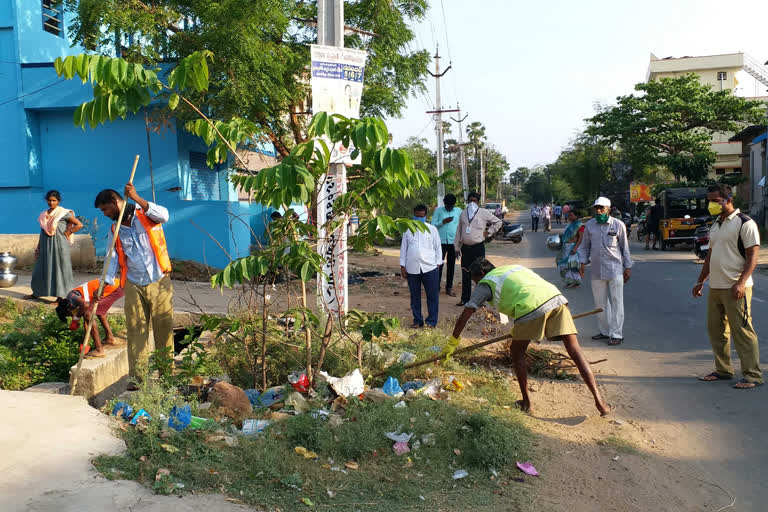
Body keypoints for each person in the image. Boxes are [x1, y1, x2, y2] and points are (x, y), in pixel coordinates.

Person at [442, 258, 611, 415]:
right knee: (575, 350)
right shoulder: (513, 268)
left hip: (531, 308)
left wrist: (453, 342)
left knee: (517, 351)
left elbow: (467, 312)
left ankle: (526, 403)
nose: (475, 284)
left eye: (474, 280)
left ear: (479, 275)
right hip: (557, 299)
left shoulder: (485, 283)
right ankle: (600, 402)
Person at [95, 185, 174, 380]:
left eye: (105, 209)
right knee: (136, 331)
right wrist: (104, 284)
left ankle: (166, 377)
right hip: (133, 283)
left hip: (159, 280)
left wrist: (136, 197)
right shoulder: (115, 228)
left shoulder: (145, 214)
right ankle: (138, 379)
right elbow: (111, 257)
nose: (105, 214)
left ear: (115, 202)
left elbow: (165, 215)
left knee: (163, 330)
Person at [693, 184, 763, 389]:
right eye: (710, 201)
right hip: (716, 286)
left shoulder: (745, 223)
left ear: (728, 199)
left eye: (715, 201)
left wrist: (741, 282)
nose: (711, 205)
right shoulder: (716, 224)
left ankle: (753, 375)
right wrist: (700, 281)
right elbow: (710, 256)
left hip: (736, 287)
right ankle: (723, 370)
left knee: (742, 331)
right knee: (716, 330)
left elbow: (753, 256)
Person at [578, 197, 632, 346]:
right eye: (596, 208)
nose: (598, 211)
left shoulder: (618, 225)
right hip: (596, 269)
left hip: (615, 269)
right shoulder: (590, 225)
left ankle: (616, 334)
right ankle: (605, 331)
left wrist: (628, 267)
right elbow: (584, 246)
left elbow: (624, 248)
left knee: (616, 302)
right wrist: (582, 262)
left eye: (602, 208)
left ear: (609, 209)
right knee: (600, 303)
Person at [28, 190, 83, 300]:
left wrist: (68, 232)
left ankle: (61, 298)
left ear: (58, 201)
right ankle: (37, 293)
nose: (51, 203)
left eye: (54, 200)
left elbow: (79, 224)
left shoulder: (63, 213)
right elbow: (43, 232)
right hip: (45, 245)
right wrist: (38, 247)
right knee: (40, 268)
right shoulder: (44, 214)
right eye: (49, 200)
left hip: (59, 245)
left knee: (59, 270)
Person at [55, 279, 125, 358]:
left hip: (114, 287)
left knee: (89, 315)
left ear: (67, 309)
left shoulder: (71, 296)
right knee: (99, 313)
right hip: (118, 287)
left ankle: (99, 349)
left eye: (69, 315)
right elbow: (87, 326)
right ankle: (110, 338)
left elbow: (85, 306)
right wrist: (84, 347)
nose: (71, 316)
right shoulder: (78, 304)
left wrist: (75, 319)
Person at [454, 191, 503, 306]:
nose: (472, 203)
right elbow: (458, 231)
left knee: (480, 274)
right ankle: (465, 299)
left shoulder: (484, 213)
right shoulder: (463, 213)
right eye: (470, 200)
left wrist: (489, 232)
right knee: (465, 273)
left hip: (478, 247)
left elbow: (498, 222)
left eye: (474, 200)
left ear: (478, 201)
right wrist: (456, 247)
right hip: (466, 248)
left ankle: (480, 300)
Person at [400, 204, 442, 328]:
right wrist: (403, 265)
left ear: (426, 216)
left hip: (430, 267)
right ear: (413, 216)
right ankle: (417, 320)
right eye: (417, 217)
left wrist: (438, 263)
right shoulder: (407, 230)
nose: (419, 219)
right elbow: (403, 248)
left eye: (422, 217)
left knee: (432, 296)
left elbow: (438, 247)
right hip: (412, 268)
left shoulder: (432, 229)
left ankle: (431, 322)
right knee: (415, 296)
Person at [430, 193, 462, 297]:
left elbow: (461, 226)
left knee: (451, 265)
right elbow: (433, 225)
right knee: (438, 265)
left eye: (451, 206)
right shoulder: (439, 211)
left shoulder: (458, 211)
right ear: (444, 204)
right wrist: (442, 222)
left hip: (453, 242)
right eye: (447, 206)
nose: (449, 207)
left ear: (454, 204)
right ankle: (436, 287)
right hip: (441, 242)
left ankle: (449, 287)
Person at [557, 210, 585, 288]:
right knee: (565, 264)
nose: (569, 217)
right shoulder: (570, 225)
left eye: (571, 215)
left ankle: (576, 282)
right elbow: (566, 234)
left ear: (576, 216)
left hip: (573, 247)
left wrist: (575, 248)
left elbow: (580, 238)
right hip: (566, 247)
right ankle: (569, 281)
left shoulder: (580, 225)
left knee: (572, 265)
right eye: (569, 215)